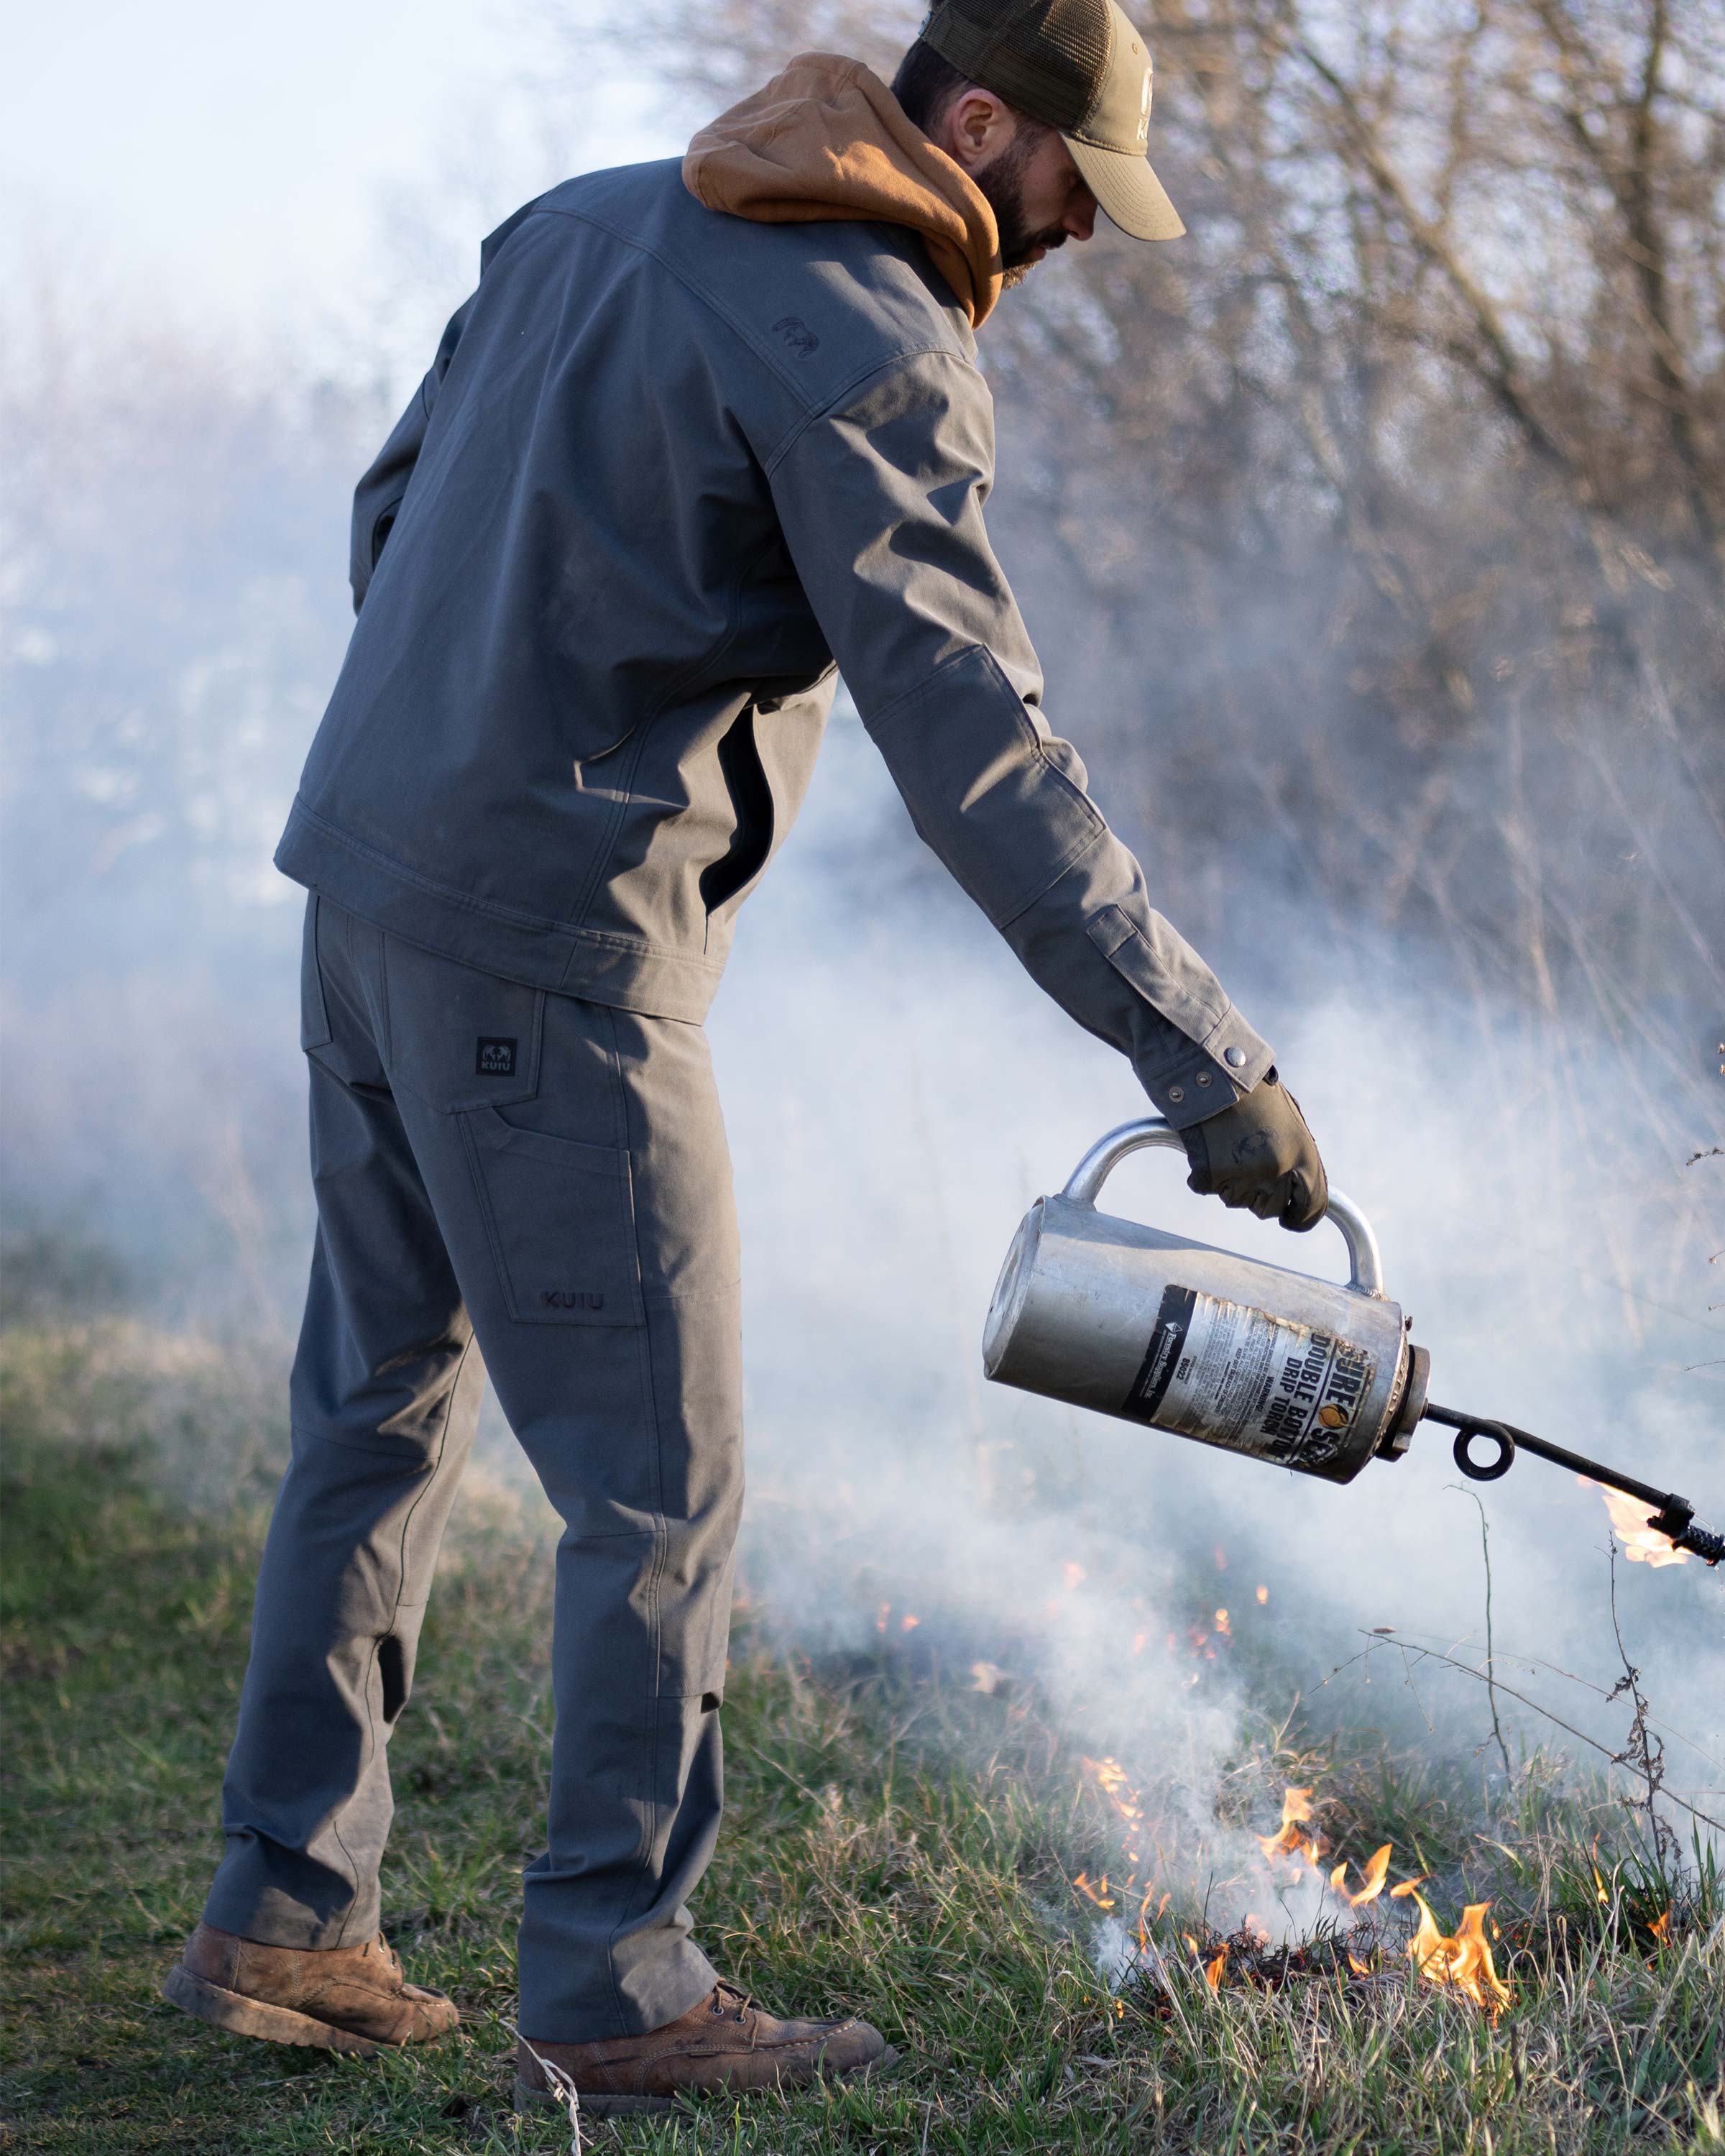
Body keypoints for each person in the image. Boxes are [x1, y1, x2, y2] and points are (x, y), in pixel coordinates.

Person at [163, 0, 1326, 2118]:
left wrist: (478, 730)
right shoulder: (869, 336)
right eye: (1074, 183)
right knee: (661, 1487)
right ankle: (616, 1983)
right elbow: (985, 758)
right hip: (556, 959)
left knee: (375, 1408)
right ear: (983, 124)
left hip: (370, 894)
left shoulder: (585, 222)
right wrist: (1202, 1057)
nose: (1074, 229)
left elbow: (391, 508)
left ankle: (285, 1918)